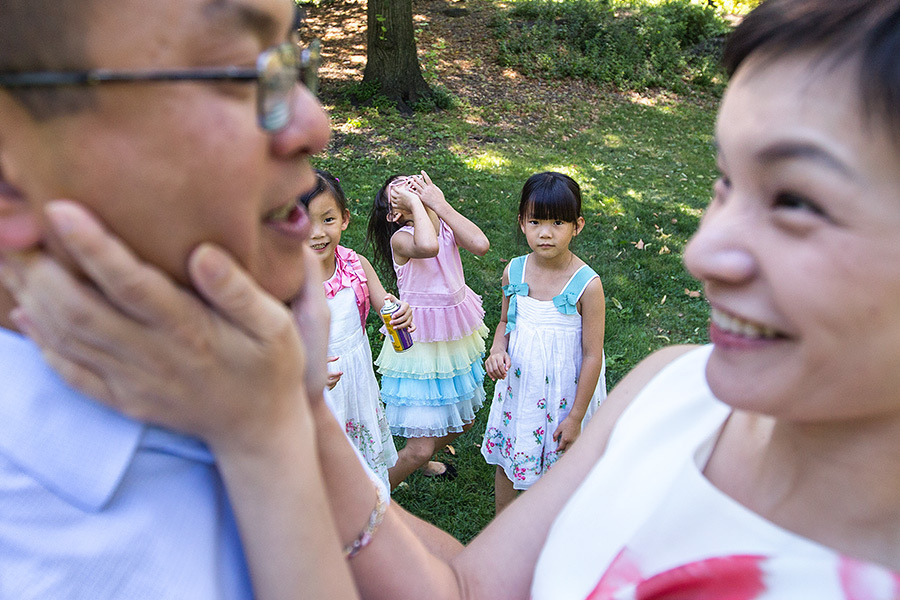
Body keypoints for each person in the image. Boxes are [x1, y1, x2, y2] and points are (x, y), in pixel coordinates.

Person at [5, 0, 900, 597]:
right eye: (225, 73)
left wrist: (271, 427)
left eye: (795, 200)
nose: (314, 123)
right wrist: (282, 418)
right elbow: (473, 587)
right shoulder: (674, 391)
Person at [0, 0, 359, 598]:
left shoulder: (234, 369)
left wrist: (289, 415)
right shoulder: (47, 566)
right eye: (239, 73)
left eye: (292, 63)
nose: (315, 123)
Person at [481, 172, 606, 514]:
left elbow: (593, 354)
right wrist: (497, 349)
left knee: (561, 471)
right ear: (522, 222)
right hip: (521, 387)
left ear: (577, 226)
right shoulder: (515, 271)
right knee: (509, 455)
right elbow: (506, 321)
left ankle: (554, 536)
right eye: (535, 221)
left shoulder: (587, 286)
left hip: (565, 395)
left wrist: (576, 416)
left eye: (557, 223)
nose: (545, 233)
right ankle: (502, 529)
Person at [366, 172, 490, 488]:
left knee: (464, 420)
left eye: (412, 182)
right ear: (395, 213)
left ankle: (419, 460)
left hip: (452, 340)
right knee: (419, 448)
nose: (410, 187)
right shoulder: (402, 238)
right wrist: (419, 205)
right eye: (401, 192)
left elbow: (480, 244)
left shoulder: (445, 225)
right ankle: (373, 499)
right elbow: (429, 246)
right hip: (418, 343)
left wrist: (440, 205)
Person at [299, 168, 406, 488]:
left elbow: (384, 301)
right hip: (314, 391)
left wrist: (399, 311)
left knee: (365, 472)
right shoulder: (286, 279)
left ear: (344, 218)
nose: (317, 233)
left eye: (327, 220)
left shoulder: (356, 265)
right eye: (305, 222)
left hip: (357, 384)